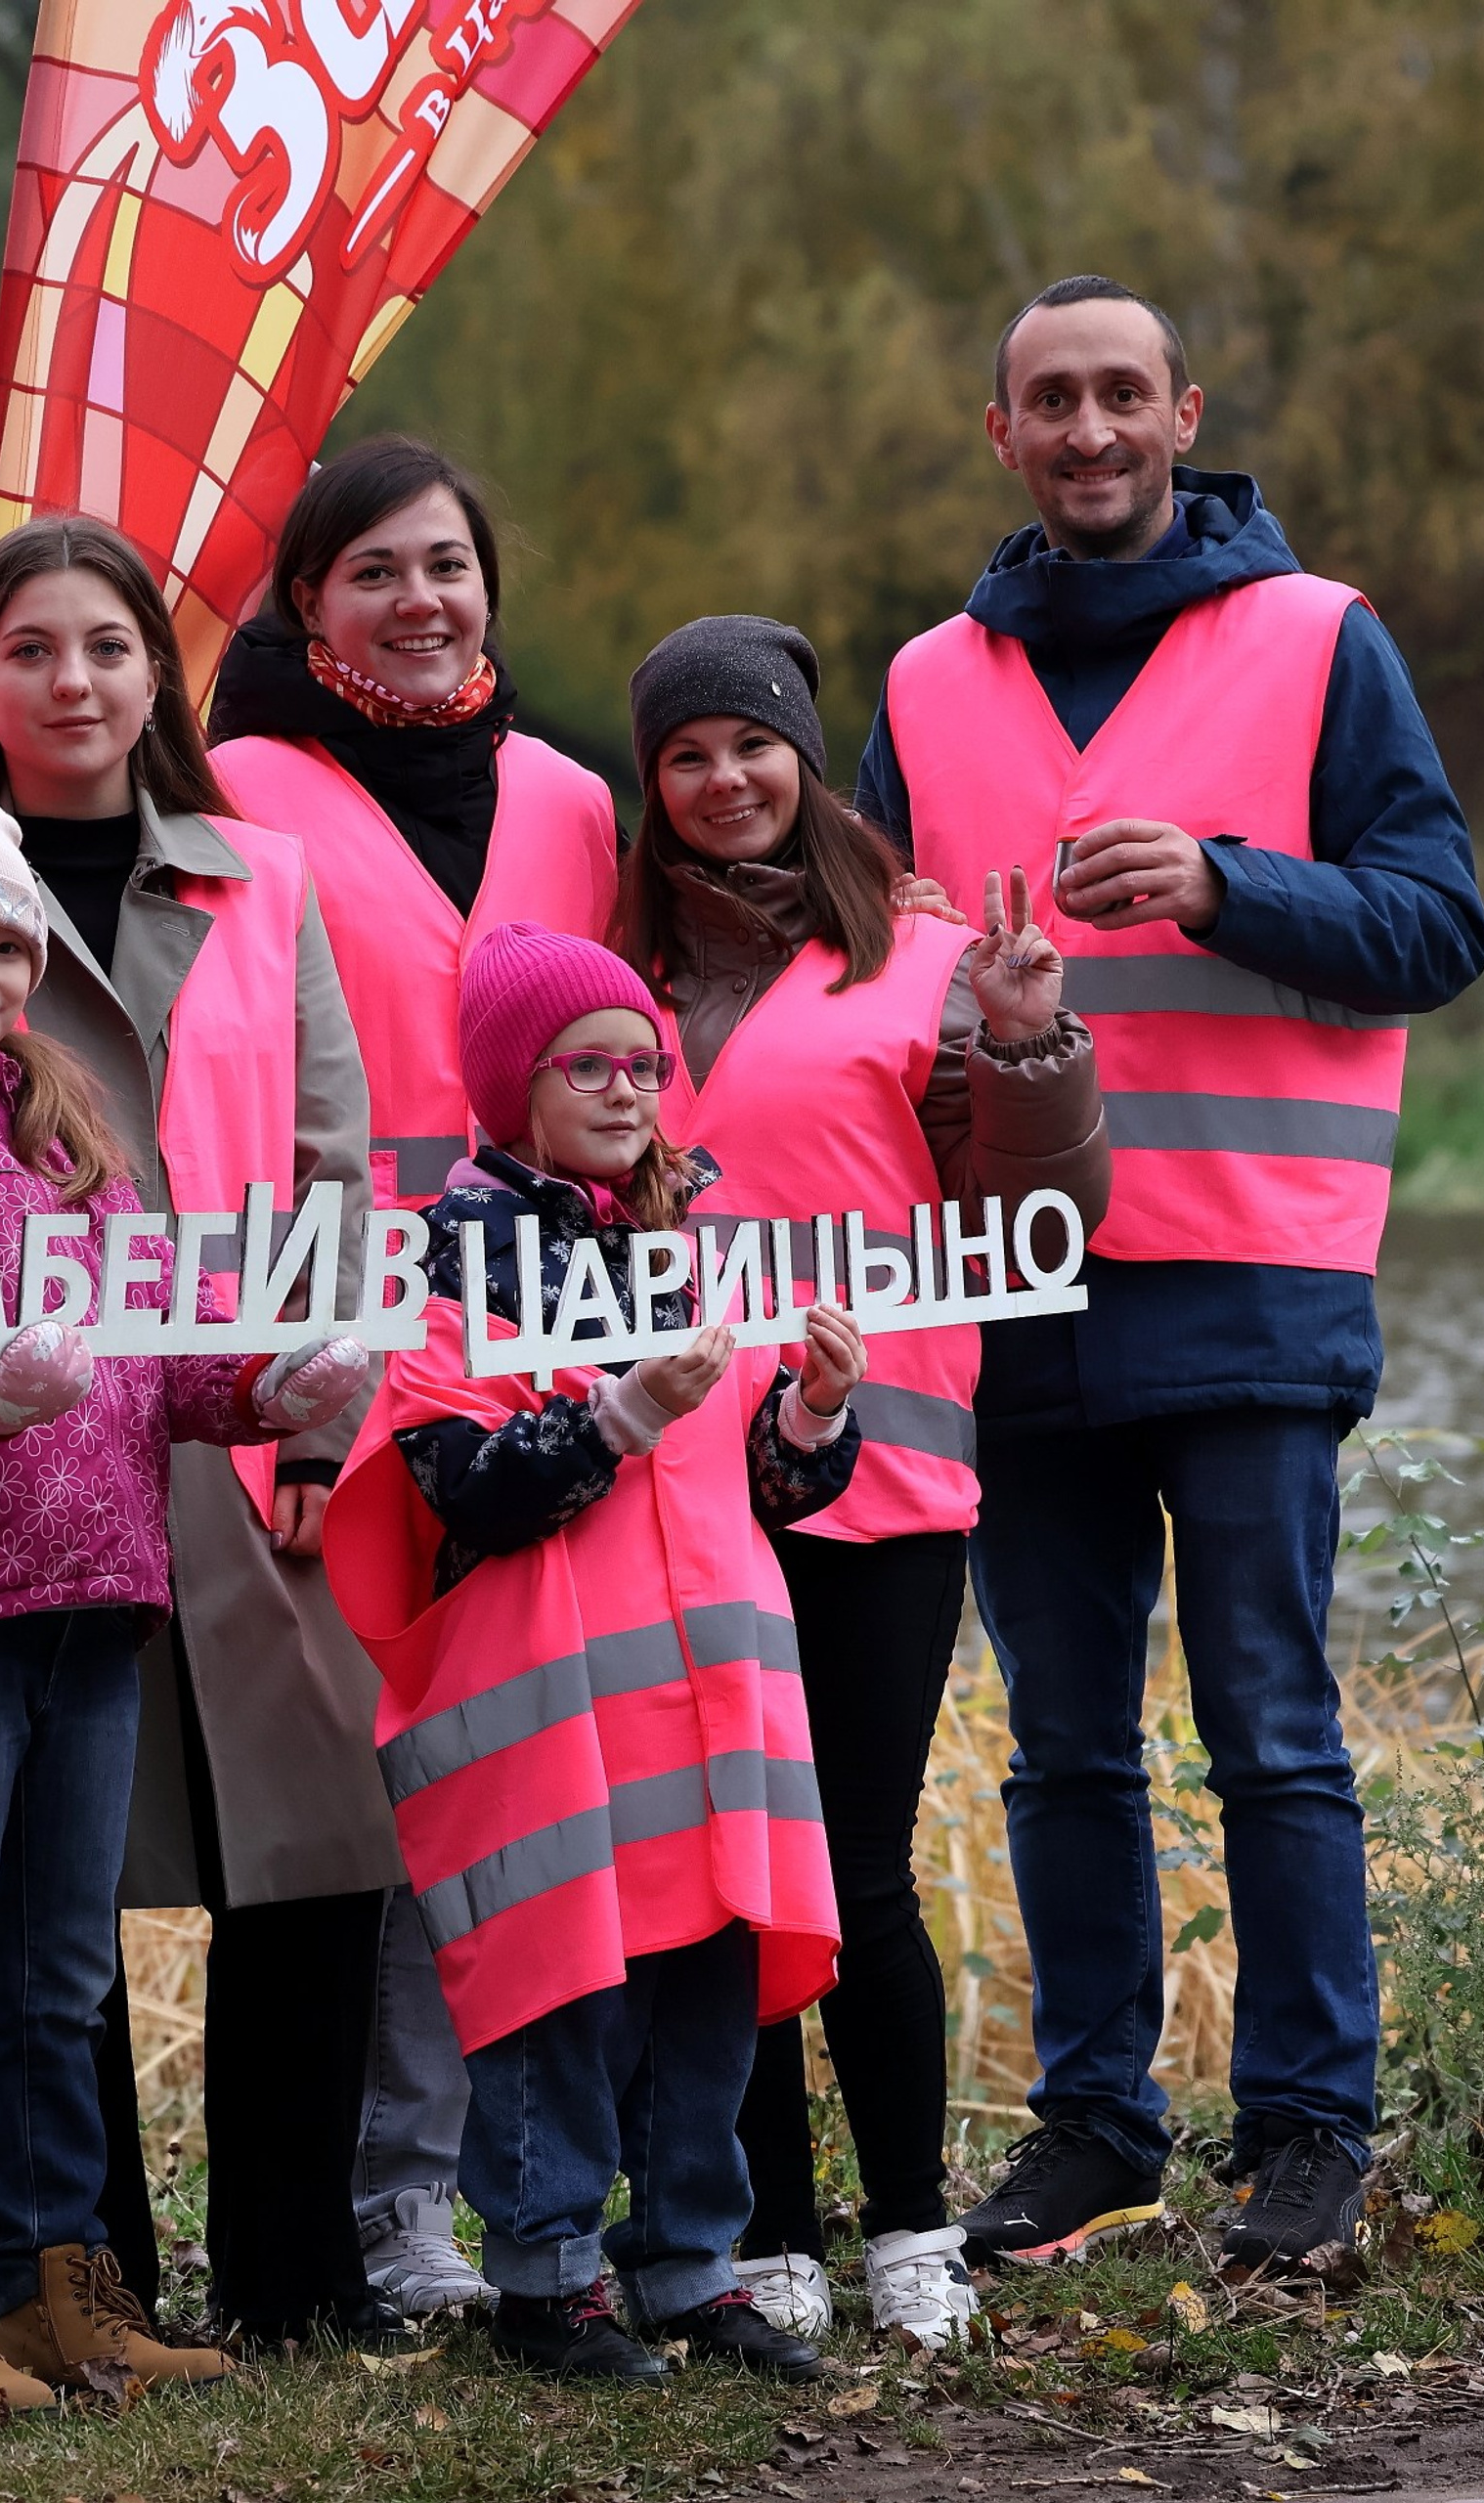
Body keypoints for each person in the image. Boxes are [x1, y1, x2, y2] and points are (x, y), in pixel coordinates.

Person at [856, 275, 1484, 2269]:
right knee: (1055, 1737)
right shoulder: (919, 681)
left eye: (1119, 392)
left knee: (1271, 1726)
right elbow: (865, 979)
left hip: (1244, 1278)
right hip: (1014, 1281)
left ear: (1179, 411)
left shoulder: (1315, 642)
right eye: (1047, 399)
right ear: (1000, 435)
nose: (1086, 427)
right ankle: (1092, 2126)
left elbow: (1434, 919)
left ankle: (1304, 2133)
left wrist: (1226, 882)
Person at [0, 779, 370, 2419]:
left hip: (103, 1591)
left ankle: (66, 2287)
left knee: (60, 1968)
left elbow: (164, 1343)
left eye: (3, 939)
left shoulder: (69, 1115)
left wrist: (274, 1384)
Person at [0, 513, 399, 2345]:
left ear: (158, 678)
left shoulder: (259, 878)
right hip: (34, 1438)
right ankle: (82, 2267)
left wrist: (318, 1422)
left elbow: (339, 1165)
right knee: (60, 1879)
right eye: (31, 650)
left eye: (108, 649)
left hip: (248, 1426)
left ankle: (301, 2270)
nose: (73, 683)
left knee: (312, 1849)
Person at [618, 615, 1109, 2350]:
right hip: (677, 1478)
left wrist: (1036, 1045)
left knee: (862, 1863)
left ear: (806, 764)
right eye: (687, 754)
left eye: (752, 747)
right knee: (725, 1863)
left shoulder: (916, 956)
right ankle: (767, 2229)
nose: (725, 779)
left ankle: (909, 2218)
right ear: (654, 786)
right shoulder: (621, 978)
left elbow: (1030, 1205)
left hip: (886, 1467)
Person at [324, 923, 858, 2382]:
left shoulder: (691, 1243)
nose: (629, 1090)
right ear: (515, 1086)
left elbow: (769, 1486)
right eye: (589, 1067)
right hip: (550, 1713)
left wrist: (809, 1409)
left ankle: (691, 2266)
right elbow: (462, 1487)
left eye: (645, 1064)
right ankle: (546, 2281)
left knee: (704, 1992)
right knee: (559, 1993)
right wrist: (618, 1416)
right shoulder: (448, 1256)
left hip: (704, 1702)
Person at [209, 435, 619, 2315]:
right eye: (375, 570)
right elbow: (227, 1091)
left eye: (448, 564)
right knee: (349, 1804)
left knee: (511, 1762)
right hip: (336, 1339)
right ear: (308, 601)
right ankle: (361, 2214)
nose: (422, 600)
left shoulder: (569, 799)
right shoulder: (237, 792)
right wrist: (278, 1375)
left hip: (540, 1348)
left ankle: (472, 2192)